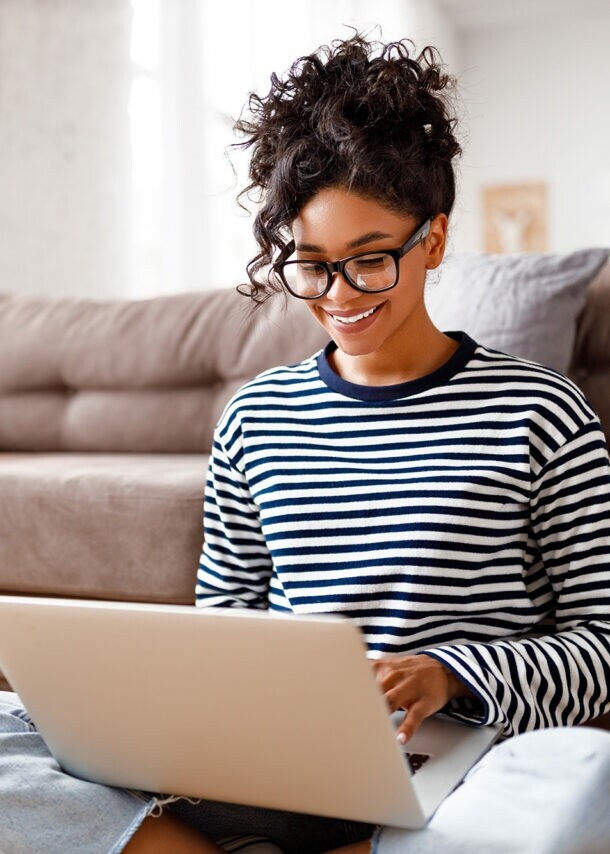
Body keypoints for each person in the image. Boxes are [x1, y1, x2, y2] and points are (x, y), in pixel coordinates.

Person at [1, 33, 610, 854]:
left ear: (431, 240)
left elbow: (600, 645)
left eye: (370, 262)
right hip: (281, 764)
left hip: (458, 763)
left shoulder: (542, 410)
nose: (338, 295)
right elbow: (225, 622)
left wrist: (451, 673)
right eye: (312, 266)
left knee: (583, 779)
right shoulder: (256, 418)